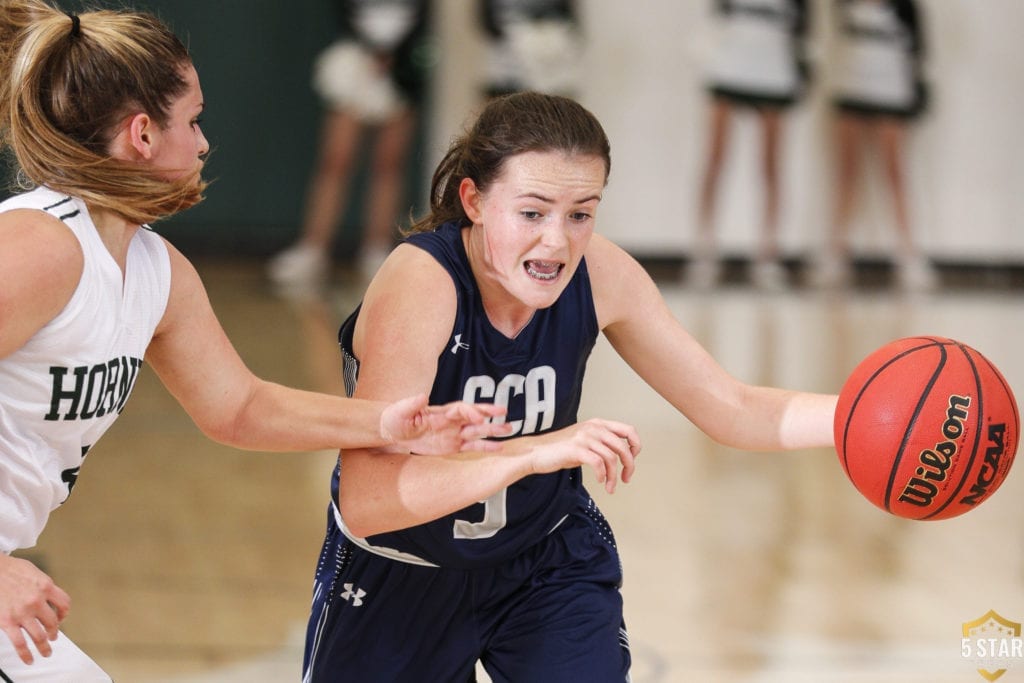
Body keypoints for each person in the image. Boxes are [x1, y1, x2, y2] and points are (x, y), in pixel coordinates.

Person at [0, 2, 508, 680]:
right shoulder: (40, 246)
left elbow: (239, 406)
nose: (205, 142)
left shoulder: (155, 271)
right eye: (194, 119)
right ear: (143, 133)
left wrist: (390, 421)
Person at [301, 92, 838, 682]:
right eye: (532, 213)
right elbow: (368, 499)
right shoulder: (422, 284)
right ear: (474, 200)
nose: (557, 242)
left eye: (581, 213)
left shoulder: (601, 273)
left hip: (545, 562)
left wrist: (864, 418)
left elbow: (732, 408)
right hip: (401, 567)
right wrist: (533, 452)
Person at [267, 0, 433, 285]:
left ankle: (376, 250)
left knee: (389, 164)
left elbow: (426, 13)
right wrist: (372, 49)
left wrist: (398, 52)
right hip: (357, 61)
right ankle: (313, 249)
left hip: (402, 68)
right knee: (336, 159)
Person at [810, 0, 935, 290]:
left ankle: (908, 255)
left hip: (891, 89)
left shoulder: (905, 8)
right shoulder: (844, 5)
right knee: (846, 172)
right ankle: (836, 252)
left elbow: (918, 52)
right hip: (852, 86)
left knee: (894, 173)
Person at [692, 0, 811, 289]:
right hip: (730, 62)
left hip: (774, 66)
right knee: (715, 158)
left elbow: (804, 27)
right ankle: (704, 249)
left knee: (770, 165)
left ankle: (767, 254)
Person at [477, 0, 582, 99]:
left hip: (553, 37)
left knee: (557, 90)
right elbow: (487, 17)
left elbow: (569, 14)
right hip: (508, 38)